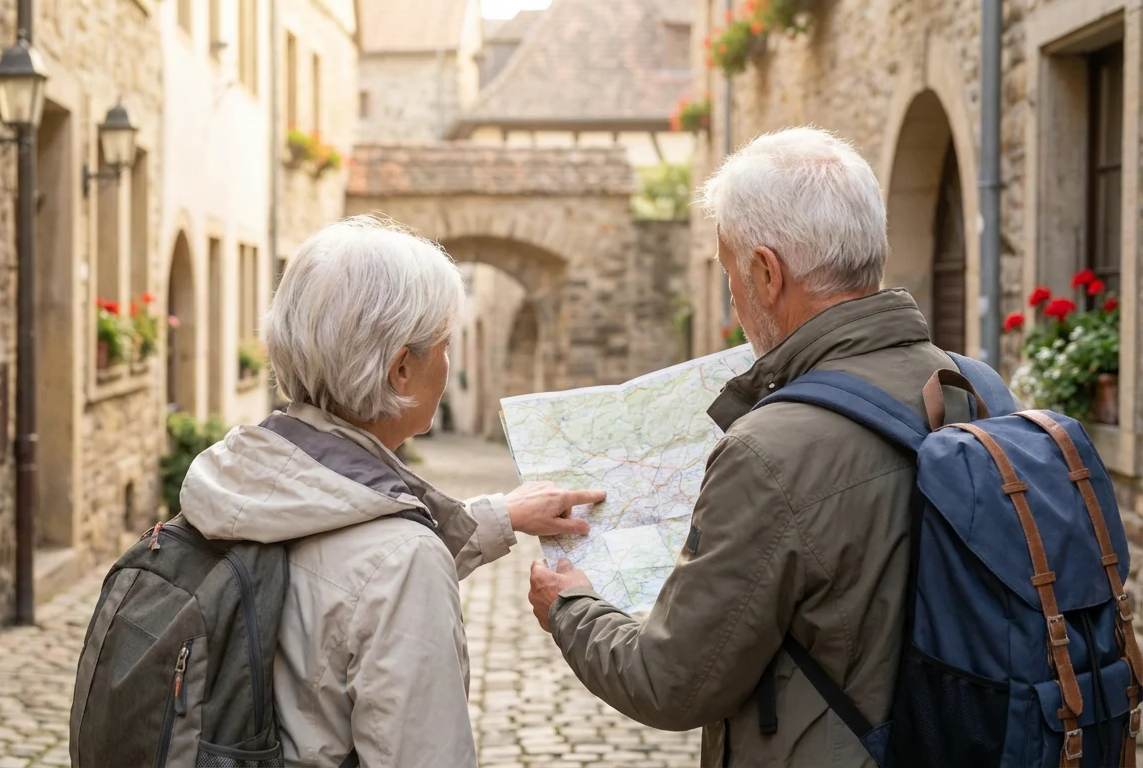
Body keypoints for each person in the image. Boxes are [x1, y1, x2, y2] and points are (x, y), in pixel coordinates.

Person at [527, 127, 975, 767]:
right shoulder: (974, 385)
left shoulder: (769, 450)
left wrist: (569, 606)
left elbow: (672, 681)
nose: (733, 293)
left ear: (766, 272)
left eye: (730, 270)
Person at [179, 214, 605, 768]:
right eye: (443, 345)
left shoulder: (238, 475)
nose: (448, 363)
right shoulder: (405, 561)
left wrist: (502, 515)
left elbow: (343, 568)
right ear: (402, 369)